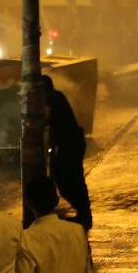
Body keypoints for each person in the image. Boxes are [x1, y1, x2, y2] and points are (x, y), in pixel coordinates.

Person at [39, 75, 92, 229]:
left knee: (68, 179)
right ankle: (84, 213)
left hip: (70, 145)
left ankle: (84, 214)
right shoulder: (57, 95)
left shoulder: (52, 100)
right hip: (72, 143)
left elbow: (45, 119)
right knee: (72, 179)